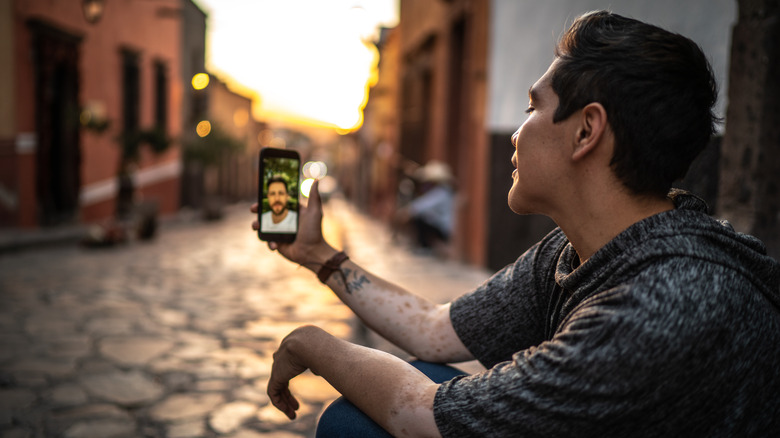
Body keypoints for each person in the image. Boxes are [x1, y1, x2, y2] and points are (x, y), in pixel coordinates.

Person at [250, 10, 780, 437]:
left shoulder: (666, 302)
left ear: (585, 132)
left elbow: (418, 415)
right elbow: (435, 331)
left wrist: (311, 342)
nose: (515, 133)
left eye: (533, 105)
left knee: (354, 423)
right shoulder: (578, 252)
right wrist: (320, 255)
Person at [396, 160, 456, 252]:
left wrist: (408, 211)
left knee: (418, 218)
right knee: (418, 215)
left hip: (442, 228)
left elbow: (424, 204)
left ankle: (425, 246)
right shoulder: (441, 191)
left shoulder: (441, 192)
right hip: (438, 224)